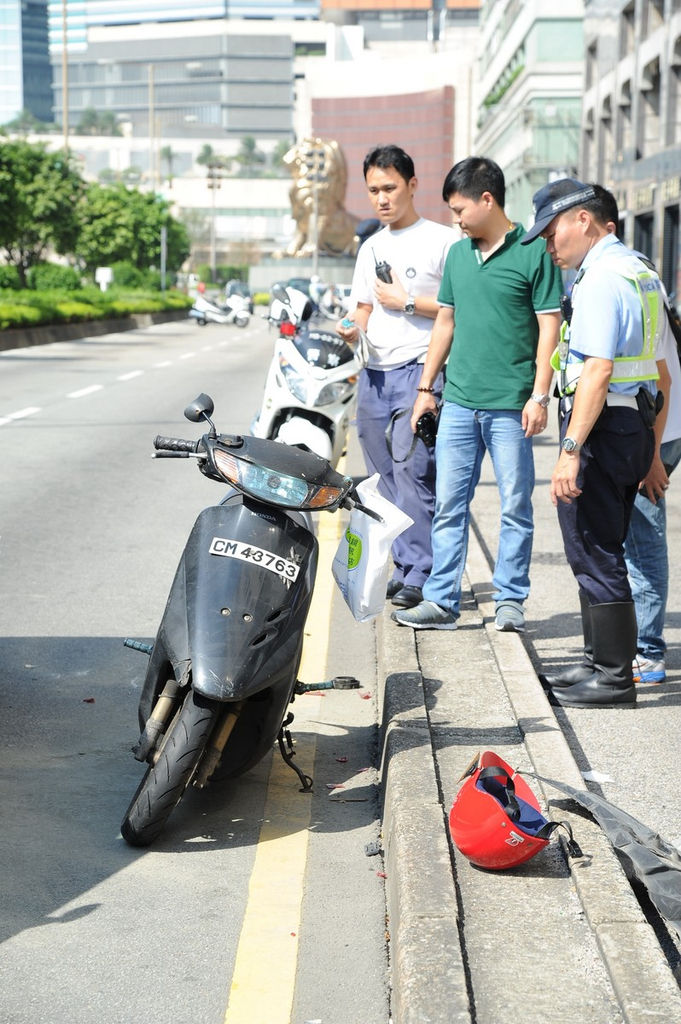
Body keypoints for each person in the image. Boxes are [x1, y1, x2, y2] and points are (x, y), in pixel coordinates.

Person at [392, 156, 562, 632]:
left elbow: (550, 325)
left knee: (514, 506)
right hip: (460, 403)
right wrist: (427, 390)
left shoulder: (534, 250)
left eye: (460, 209)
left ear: (488, 200)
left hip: (511, 405)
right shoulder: (458, 255)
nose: (457, 219)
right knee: (449, 504)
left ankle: (510, 601)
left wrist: (540, 395)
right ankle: (442, 601)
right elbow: (444, 321)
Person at [523, 178, 667, 708]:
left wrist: (569, 450)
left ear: (582, 220)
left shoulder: (603, 279)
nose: (547, 243)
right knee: (599, 546)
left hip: (601, 431)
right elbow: (660, 374)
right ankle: (596, 663)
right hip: (630, 428)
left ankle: (612, 677)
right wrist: (651, 452)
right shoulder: (639, 270)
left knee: (594, 550)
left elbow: (599, 371)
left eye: (552, 230)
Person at [337, 144, 456, 608]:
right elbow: (364, 307)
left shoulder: (443, 241)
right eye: (373, 191)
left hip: (420, 370)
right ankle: (406, 566)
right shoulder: (371, 247)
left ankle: (421, 573)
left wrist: (408, 302)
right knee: (382, 476)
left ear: (412, 185)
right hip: (375, 373)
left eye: (389, 188)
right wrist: (352, 328)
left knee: (414, 472)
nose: (381, 198)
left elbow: (455, 309)